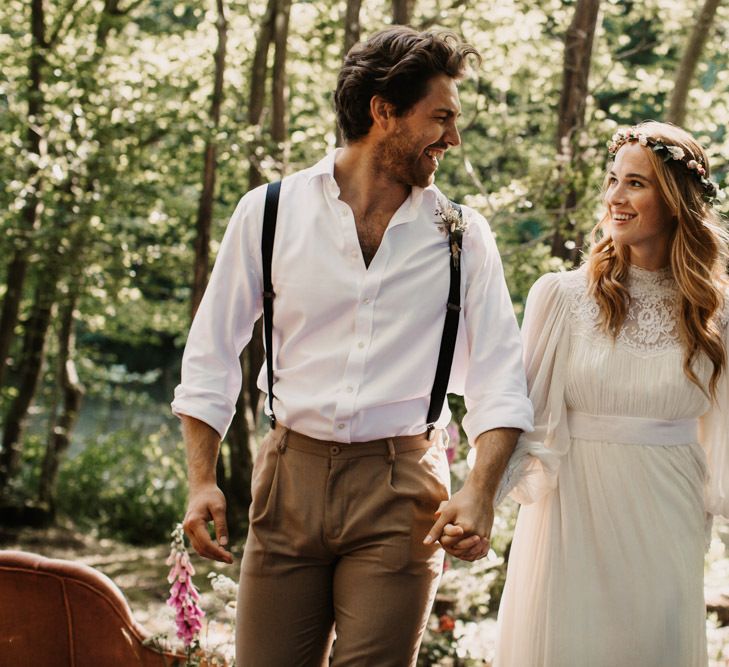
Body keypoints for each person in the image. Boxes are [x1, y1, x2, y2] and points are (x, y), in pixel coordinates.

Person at [171, 26, 533, 667]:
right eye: (441, 117)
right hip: (287, 478)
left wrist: (479, 489)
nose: (453, 138)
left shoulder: (462, 237)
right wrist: (201, 480)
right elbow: (210, 355)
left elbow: (500, 381)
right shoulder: (269, 213)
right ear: (383, 110)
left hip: (403, 489)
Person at [494, 120, 728, 667]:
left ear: (675, 201)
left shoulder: (714, 310)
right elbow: (521, 417)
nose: (614, 197)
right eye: (613, 179)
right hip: (570, 515)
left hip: (669, 514)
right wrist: (480, 503)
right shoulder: (561, 297)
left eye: (636, 184)